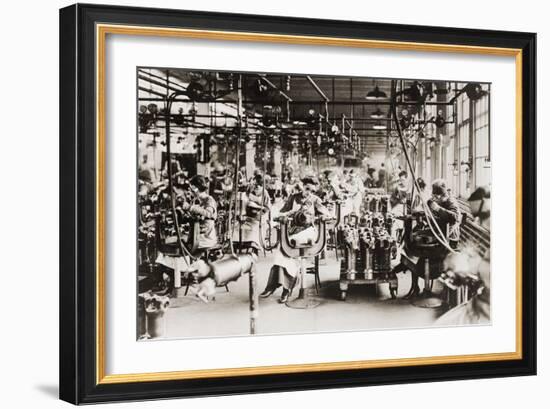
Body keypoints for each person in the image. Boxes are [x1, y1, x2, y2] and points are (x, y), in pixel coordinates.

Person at [260, 177, 331, 303]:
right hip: (293, 231)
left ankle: (286, 289)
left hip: (308, 232)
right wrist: (288, 214)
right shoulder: (293, 198)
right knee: (281, 252)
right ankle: (276, 286)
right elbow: (281, 212)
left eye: (312, 191)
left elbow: (327, 214)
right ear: (303, 186)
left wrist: (321, 216)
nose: (309, 192)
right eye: (307, 189)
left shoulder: (315, 200)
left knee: (290, 250)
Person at [435, 186, 491, 325]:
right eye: (476, 217)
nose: (479, 222)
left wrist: (474, 266)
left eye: (483, 215)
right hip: (479, 307)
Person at [231, 175, 271, 253]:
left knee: (255, 227)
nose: (255, 186)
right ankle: (240, 242)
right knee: (237, 226)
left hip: (259, 216)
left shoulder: (264, 193)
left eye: (257, 185)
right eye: (254, 184)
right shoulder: (249, 190)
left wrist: (258, 209)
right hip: (248, 216)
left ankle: (255, 244)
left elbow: (267, 208)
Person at [428, 179, 461, 248]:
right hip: (441, 231)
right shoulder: (441, 200)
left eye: (436, 196)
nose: (434, 198)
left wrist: (438, 208)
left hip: (450, 237)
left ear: (441, 195)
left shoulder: (451, 201)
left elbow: (454, 218)